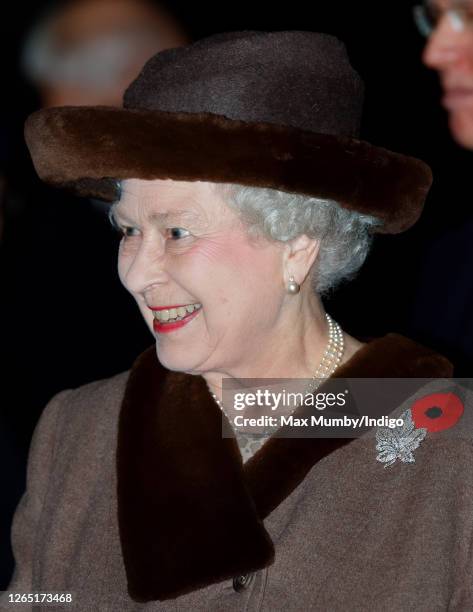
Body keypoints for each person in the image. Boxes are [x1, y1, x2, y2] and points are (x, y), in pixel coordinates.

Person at [3, 31, 472, 610]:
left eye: (178, 232)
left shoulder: (450, 450)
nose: (136, 273)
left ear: (298, 245)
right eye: (128, 231)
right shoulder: (76, 431)